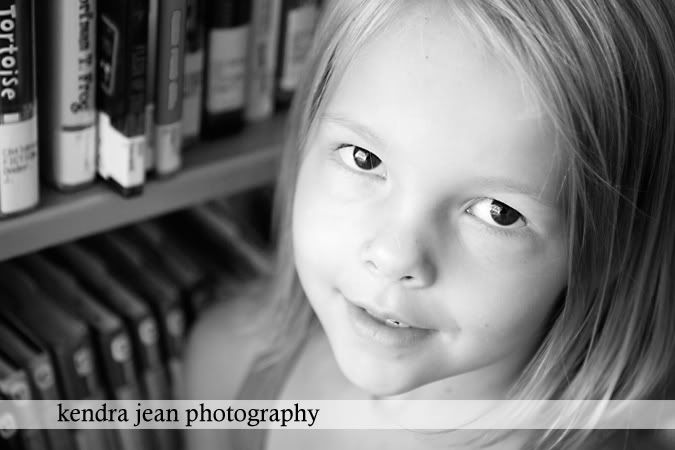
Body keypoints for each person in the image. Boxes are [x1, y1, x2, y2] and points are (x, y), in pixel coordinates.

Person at [185, 0, 675, 448]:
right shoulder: (228, 368)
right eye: (363, 157)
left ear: (613, 248)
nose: (395, 257)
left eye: (497, 213)